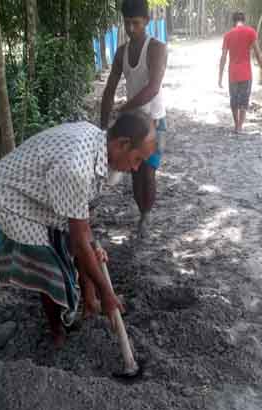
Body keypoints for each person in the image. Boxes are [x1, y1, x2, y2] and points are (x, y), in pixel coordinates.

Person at [0, 112, 157, 348]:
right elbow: (78, 242)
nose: (136, 168)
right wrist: (107, 294)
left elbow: (81, 226)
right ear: (122, 144)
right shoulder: (77, 166)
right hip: (11, 198)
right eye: (137, 159)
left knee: (82, 247)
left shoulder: (98, 144)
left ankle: (88, 303)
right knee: (50, 266)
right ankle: (58, 333)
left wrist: (92, 250)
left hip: (41, 193)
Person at [100, 0, 168, 239]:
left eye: (136, 23)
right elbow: (109, 89)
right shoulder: (121, 52)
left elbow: (153, 88)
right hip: (133, 120)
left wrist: (123, 108)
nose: (131, 29)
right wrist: (103, 125)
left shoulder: (157, 48)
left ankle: (145, 215)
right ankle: (143, 211)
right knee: (134, 170)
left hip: (154, 120)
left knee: (146, 171)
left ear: (147, 22)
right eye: (127, 23)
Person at [218, 11, 262, 134]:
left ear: (233, 22)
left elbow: (223, 56)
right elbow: (259, 54)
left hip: (233, 73)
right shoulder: (251, 32)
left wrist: (220, 76)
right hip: (246, 74)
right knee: (244, 100)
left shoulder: (228, 35)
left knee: (234, 99)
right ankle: (240, 126)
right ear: (244, 20)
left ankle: (236, 124)